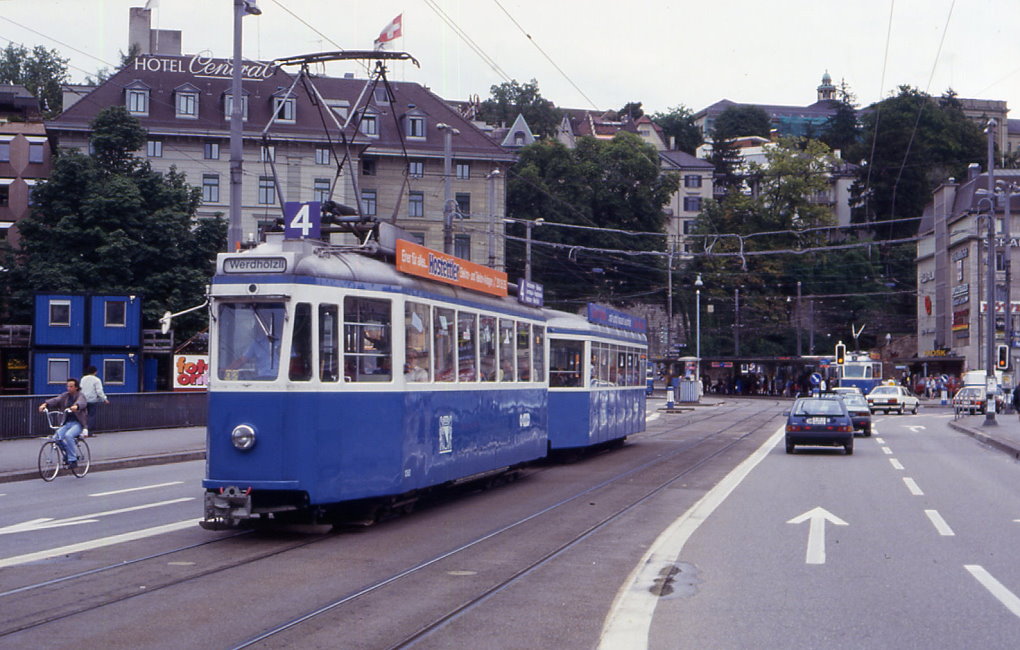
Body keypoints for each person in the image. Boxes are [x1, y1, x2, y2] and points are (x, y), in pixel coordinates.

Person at [38, 378, 88, 468]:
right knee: (56, 438)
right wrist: (45, 404)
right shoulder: (65, 396)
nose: (69, 388)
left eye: (71, 386)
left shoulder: (80, 395)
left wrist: (76, 406)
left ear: (76, 387)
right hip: (66, 423)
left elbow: (82, 402)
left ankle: (73, 460)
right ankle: (68, 455)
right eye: (68, 386)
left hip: (77, 423)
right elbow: (56, 400)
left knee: (68, 435)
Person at [79, 365, 108, 436]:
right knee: (91, 416)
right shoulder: (97, 380)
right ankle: (89, 432)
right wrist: (104, 399)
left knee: (83, 416)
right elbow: (99, 391)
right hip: (92, 400)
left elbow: (80, 389)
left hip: (83, 400)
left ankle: (81, 431)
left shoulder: (83, 379)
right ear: (95, 372)